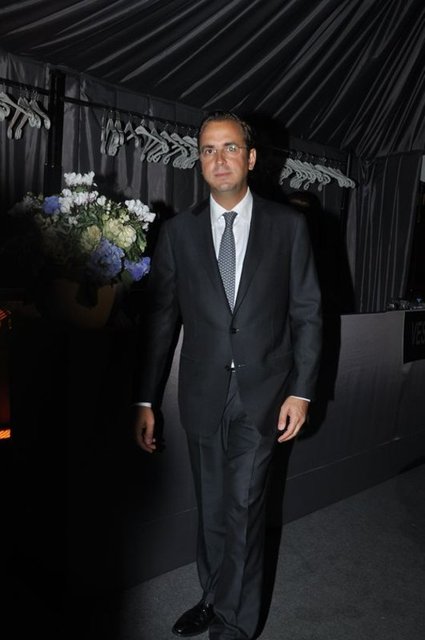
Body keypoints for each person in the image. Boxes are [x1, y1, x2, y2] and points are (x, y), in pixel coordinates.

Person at [133, 111, 322, 640]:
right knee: (213, 509)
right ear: (199, 162)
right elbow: (161, 321)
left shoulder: (288, 227)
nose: (219, 159)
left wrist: (302, 391)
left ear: (251, 157)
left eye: (230, 147)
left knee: (243, 507)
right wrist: (145, 400)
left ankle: (234, 626)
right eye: (209, 150)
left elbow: (308, 313)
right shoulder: (178, 233)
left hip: (264, 395)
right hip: (202, 393)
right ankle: (213, 598)